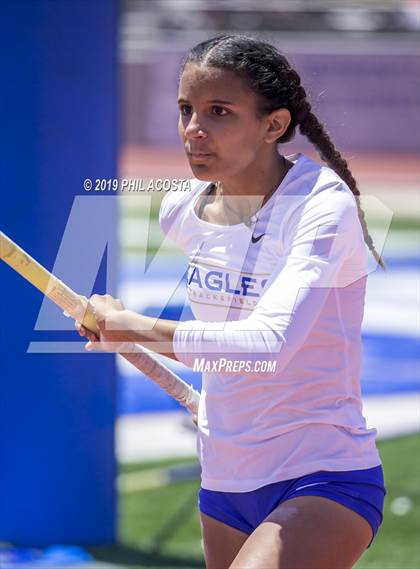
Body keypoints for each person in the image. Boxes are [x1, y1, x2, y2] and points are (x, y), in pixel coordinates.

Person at [78, 35, 386, 569]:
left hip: (321, 476)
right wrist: (119, 332)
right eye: (186, 110)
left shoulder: (321, 203)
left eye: (218, 111)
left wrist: (132, 325)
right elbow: (224, 344)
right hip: (223, 480)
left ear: (273, 125)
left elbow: (268, 345)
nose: (193, 129)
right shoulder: (182, 209)